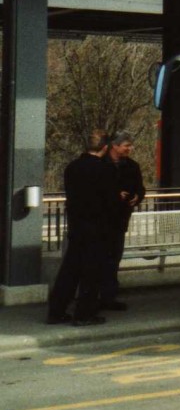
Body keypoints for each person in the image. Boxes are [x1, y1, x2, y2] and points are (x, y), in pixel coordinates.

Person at [47, 129, 120, 326]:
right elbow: (111, 201)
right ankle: (84, 314)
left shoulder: (72, 167)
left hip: (77, 226)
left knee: (70, 271)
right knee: (92, 272)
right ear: (105, 148)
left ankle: (56, 311)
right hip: (98, 227)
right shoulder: (106, 170)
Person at [99, 131, 145, 312]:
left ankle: (108, 298)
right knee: (101, 259)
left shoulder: (133, 166)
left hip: (119, 220)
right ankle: (96, 297)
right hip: (101, 221)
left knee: (113, 259)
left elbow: (140, 188)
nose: (130, 149)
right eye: (126, 146)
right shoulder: (100, 165)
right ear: (115, 146)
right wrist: (113, 194)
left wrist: (137, 196)